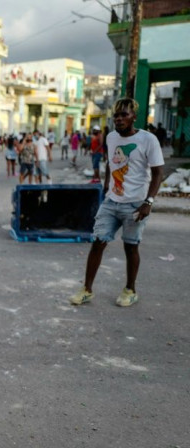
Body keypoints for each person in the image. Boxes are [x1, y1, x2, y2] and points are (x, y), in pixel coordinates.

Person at [69, 98, 164, 308]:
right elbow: (111, 163)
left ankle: (130, 290)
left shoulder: (148, 140)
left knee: (131, 247)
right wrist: (105, 187)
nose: (119, 119)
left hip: (136, 203)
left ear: (134, 117)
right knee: (98, 242)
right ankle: (87, 289)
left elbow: (158, 173)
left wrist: (148, 201)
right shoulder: (111, 137)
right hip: (112, 201)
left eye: (124, 115)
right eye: (116, 115)